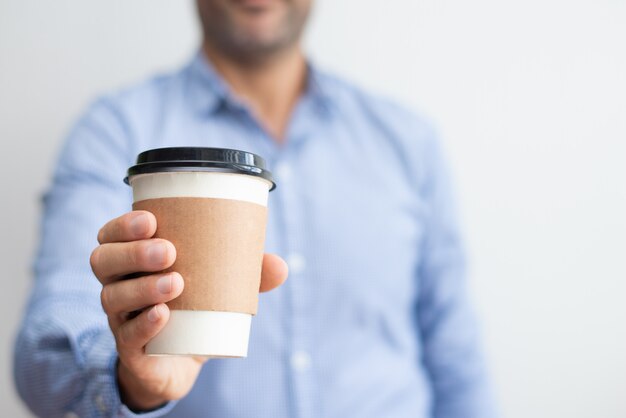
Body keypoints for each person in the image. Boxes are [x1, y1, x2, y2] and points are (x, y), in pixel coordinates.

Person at [14, 0, 497, 417]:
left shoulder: (408, 143)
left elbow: (457, 361)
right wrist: (130, 379)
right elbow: (43, 354)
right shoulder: (114, 132)